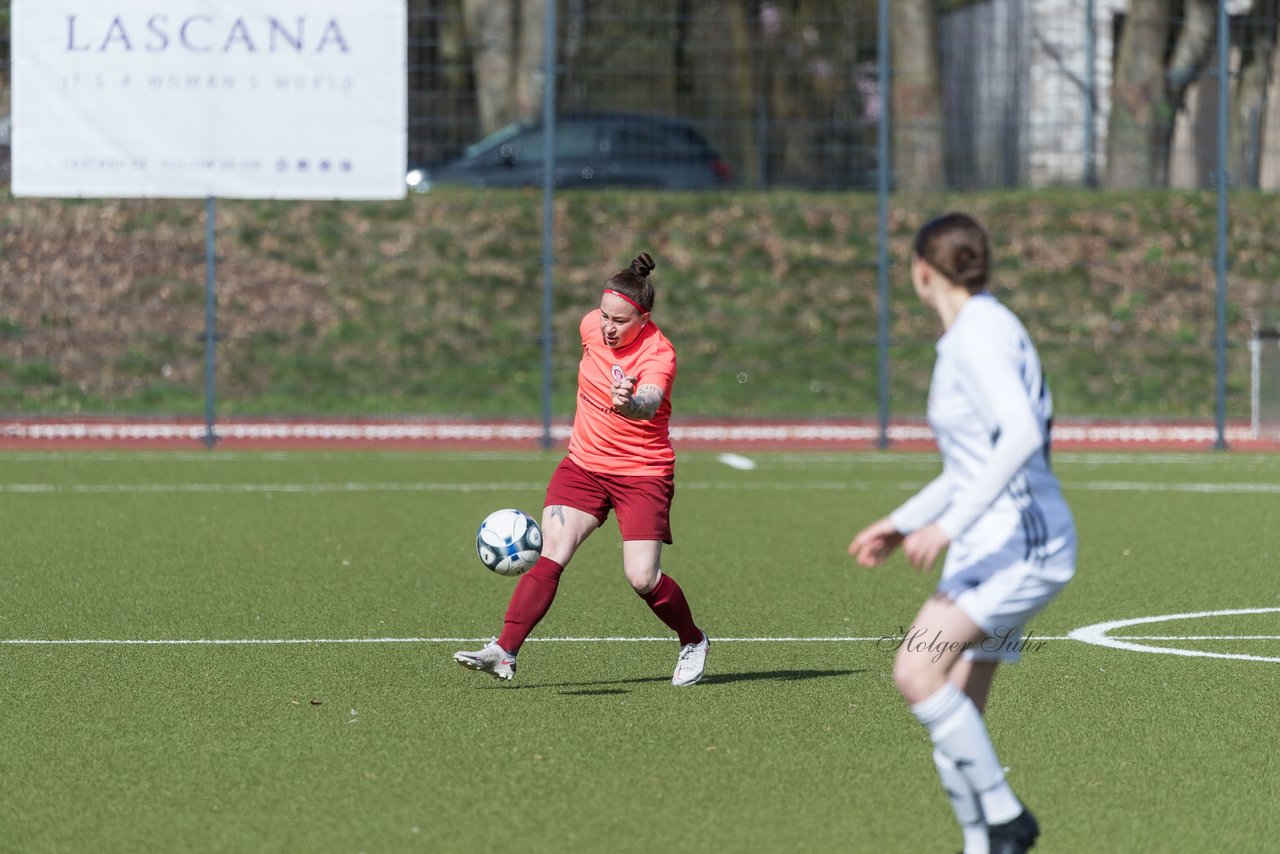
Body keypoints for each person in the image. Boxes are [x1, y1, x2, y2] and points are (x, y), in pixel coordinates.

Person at [848, 213, 1075, 854]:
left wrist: (947, 524)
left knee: (915, 670)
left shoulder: (974, 337)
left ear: (922, 271)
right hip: (1000, 549)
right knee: (955, 711)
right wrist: (903, 522)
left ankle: (1005, 818)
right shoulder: (990, 325)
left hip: (1017, 549)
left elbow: (1021, 435)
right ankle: (983, 844)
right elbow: (973, 462)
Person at [454, 252, 709, 686]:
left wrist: (630, 403)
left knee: (642, 577)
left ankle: (693, 640)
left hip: (641, 472)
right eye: (606, 316)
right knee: (552, 550)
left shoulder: (659, 354)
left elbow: (648, 402)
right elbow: (599, 329)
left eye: (621, 321)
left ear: (643, 319)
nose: (609, 327)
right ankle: (505, 650)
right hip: (584, 465)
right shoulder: (591, 325)